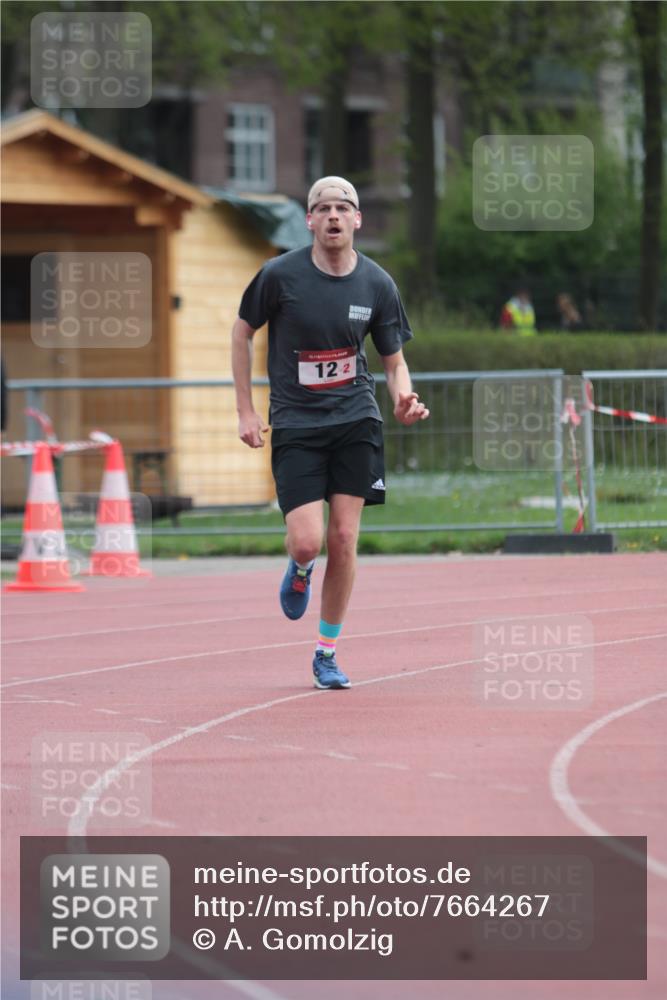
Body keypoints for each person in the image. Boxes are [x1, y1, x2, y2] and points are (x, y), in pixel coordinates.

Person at [231, 175, 429, 691]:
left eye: (344, 207)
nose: (335, 215)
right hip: (296, 423)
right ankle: (299, 570)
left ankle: (326, 652)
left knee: (343, 538)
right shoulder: (279, 275)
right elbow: (242, 332)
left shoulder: (378, 284)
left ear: (358, 220)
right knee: (307, 542)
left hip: (355, 420)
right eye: (324, 208)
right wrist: (246, 411)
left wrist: (403, 398)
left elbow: (393, 362)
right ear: (310, 221)